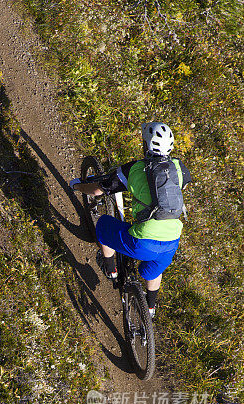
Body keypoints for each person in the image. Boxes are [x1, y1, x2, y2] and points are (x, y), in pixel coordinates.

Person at [71, 121, 192, 317]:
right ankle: (150, 308)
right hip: (172, 241)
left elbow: (97, 190)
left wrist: (77, 187)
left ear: (146, 145)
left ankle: (110, 269)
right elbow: (181, 187)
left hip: (142, 241)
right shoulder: (179, 167)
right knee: (151, 270)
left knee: (103, 225)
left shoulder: (135, 169)